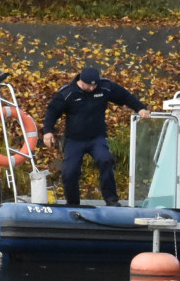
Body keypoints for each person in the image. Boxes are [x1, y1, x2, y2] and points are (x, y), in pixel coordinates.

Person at [42, 66, 150, 206]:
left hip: (97, 137)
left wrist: (140, 108)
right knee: (70, 172)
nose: (93, 88)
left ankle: (111, 200)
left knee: (105, 160)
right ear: (81, 81)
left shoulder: (104, 87)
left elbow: (125, 96)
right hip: (74, 140)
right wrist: (48, 131)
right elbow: (52, 112)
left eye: (95, 85)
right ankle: (73, 204)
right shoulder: (68, 93)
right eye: (89, 85)